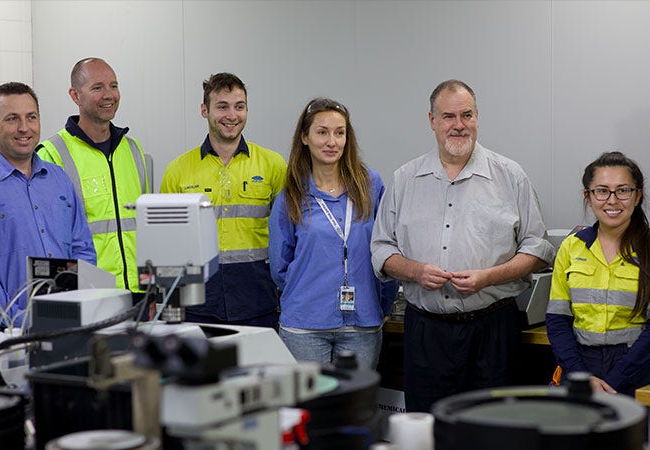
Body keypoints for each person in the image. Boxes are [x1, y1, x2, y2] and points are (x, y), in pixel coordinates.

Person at [370, 79, 555, 412]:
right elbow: (381, 250)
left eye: (466, 115)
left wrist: (489, 277)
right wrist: (415, 271)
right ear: (432, 121)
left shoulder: (510, 176)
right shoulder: (404, 179)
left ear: (477, 117)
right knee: (429, 428)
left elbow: (538, 249)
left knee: (492, 429)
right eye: (448, 116)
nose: (458, 125)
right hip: (426, 332)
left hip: (493, 330)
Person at [268, 98, 397, 369]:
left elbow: (387, 247)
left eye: (340, 133)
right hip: (305, 325)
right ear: (304, 137)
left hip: (363, 323)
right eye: (322, 132)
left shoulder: (370, 185)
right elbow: (280, 267)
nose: (332, 141)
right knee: (311, 409)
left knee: (355, 409)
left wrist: (383, 306)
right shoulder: (291, 194)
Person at [161, 73, 286, 327]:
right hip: (197, 307)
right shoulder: (178, 170)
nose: (232, 115)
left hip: (259, 302)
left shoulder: (274, 165)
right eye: (222, 106)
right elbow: (167, 244)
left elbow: (290, 236)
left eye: (239, 107)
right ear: (204, 110)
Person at [0, 82, 96, 324]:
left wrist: (78, 307)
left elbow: (83, 250)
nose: (24, 128)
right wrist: (21, 321)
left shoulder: (59, 179)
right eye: (12, 119)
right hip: (7, 332)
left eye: (31, 117)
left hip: (67, 323)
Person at [37, 58, 150, 303]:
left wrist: (152, 291)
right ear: (75, 95)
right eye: (97, 88)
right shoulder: (51, 154)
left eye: (113, 85)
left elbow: (146, 227)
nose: (109, 95)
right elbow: (49, 240)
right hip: (88, 294)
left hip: (138, 293)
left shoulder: (133, 150)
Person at [546, 151, 650, 396]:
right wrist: (581, 376)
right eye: (602, 191)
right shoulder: (571, 247)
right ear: (588, 197)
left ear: (637, 196)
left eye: (623, 190)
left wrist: (616, 380)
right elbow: (558, 320)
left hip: (635, 366)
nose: (612, 200)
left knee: (631, 435)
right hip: (579, 363)